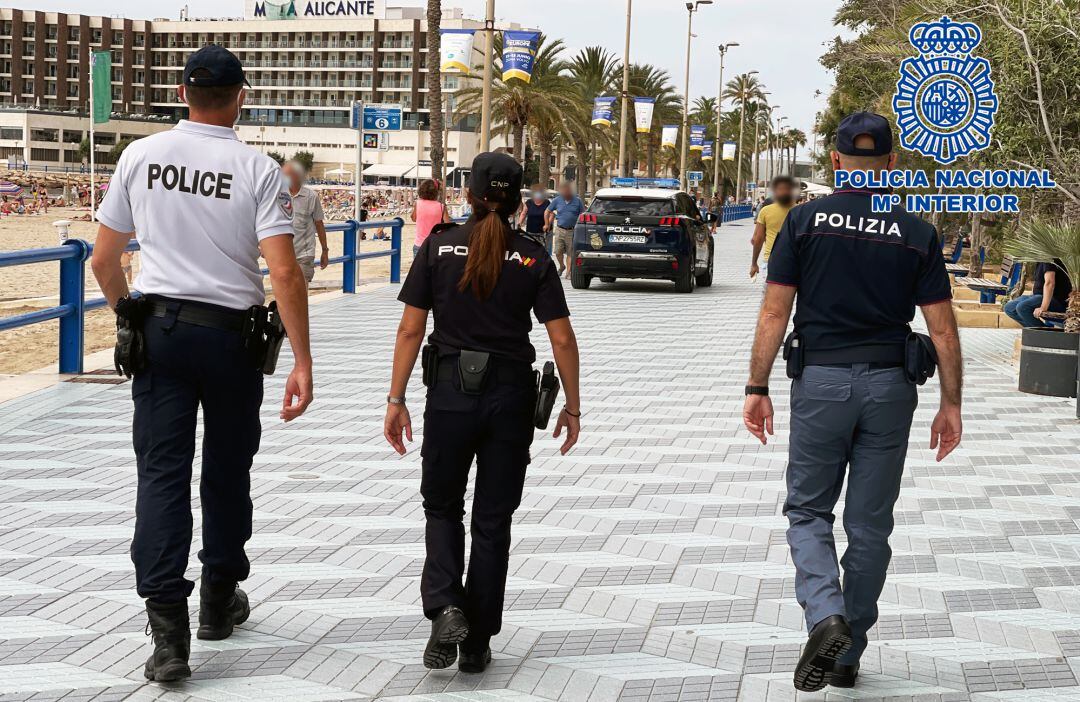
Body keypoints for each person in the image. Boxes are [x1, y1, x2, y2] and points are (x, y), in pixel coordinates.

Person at [89, 45, 314, 683]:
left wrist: (128, 314)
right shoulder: (258, 170)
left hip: (161, 332)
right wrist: (301, 359)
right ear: (240, 95)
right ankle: (218, 597)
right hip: (231, 338)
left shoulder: (141, 155)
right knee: (226, 467)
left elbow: (103, 261)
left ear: (184, 92)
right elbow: (284, 272)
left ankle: (168, 635)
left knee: (162, 473)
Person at [741, 112, 963, 693]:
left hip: (821, 384)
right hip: (892, 388)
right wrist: (952, 404)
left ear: (836, 161)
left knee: (808, 512)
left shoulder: (805, 223)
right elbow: (943, 330)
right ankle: (846, 653)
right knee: (870, 527)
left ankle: (825, 616)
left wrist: (757, 387)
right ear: (892, 164)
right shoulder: (917, 231)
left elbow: (774, 312)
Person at [385, 152, 581, 674]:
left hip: (449, 391)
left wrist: (396, 398)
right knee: (492, 522)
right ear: (520, 201)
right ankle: (476, 642)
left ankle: (446, 607)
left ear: (467, 194)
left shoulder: (438, 246)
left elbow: (409, 329)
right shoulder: (533, 257)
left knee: (442, 506)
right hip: (510, 399)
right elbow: (561, 336)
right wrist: (573, 408)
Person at [282, 160, 329, 285]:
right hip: (282, 253)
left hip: (304, 254)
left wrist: (325, 251)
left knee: (301, 292)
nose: (283, 178)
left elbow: (319, 224)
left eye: (287, 174)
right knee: (284, 294)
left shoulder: (311, 196)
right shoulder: (278, 195)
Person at [750, 176, 797, 279]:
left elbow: (758, 239)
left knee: (771, 294)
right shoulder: (801, 210)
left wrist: (754, 263)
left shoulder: (766, 211)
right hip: (795, 261)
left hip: (772, 260)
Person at [1004, 259, 1072, 328]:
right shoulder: (1040, 260)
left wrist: (1043, 307)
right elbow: (1038, 283)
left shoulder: (1048, 258)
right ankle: (1041, 330)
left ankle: (1044, 334)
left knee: (1023, 307)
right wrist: (1031, 298)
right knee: (1009, 308)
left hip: (1055, 300)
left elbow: (1050, 283)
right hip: (1037, 297)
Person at [544, 182, 585, 278]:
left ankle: (568, 272)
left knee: (570, 253)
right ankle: (562, 266)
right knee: (558, 251)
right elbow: (547, 211)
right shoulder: (557, 200)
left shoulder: (577, 201)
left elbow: (582, 215)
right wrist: (546, 224)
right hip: (559, 230)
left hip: (572, 231)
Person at [410, 179, 452, 257]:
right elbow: (448, 226)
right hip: (435, 244)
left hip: (420, 244)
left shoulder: (418, 203)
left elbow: (413, 218)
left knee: (418, 269)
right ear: (436, 192)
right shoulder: (441, 207)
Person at [519, 184, 552, 252]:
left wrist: (547, 224)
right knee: (530, 250)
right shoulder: (529, 202)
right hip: (530, 231)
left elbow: (552, 215)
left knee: (541, 251)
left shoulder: (547, 202)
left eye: (539, 192)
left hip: (542, 233)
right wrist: (519, 223)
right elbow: (523, 213)